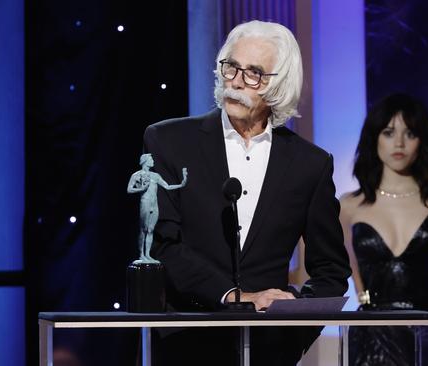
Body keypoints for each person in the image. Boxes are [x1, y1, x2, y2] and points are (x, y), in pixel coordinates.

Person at [142, 20, 351, 365]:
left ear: (279, 86)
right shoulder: (168, 141)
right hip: (185, 341)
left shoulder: (309, 164)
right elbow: (160, 244)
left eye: (254, 73)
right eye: (232, 67)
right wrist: (233, 296)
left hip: (267, 350)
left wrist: (292, 327)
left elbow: (330, 269)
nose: (237, 81)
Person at [340, 93, 428, 366]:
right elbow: (355, 277)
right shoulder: (349, 206)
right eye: (388, 132)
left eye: (410, 133)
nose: (399, 143)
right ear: (374, 138)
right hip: (371, 333)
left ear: (423, 140)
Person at [127, 153, 187, 263]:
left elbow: (167, 186)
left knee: (150, 230)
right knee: (143, 230)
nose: (153, 161)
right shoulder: (137, 175)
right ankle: (141, 255)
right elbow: (129, 189)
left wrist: (181, 184)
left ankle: (148, 254)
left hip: (154, 205)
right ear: (145, 161)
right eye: (151, 159)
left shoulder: (156, 176)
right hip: (145, 203)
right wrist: (141, 189)